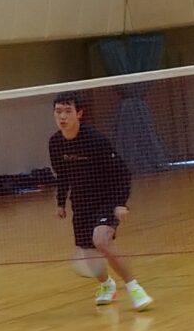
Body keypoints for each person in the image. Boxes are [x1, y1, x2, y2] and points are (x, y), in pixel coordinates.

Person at [47, 92, 152, 310]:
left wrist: (120, 203)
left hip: (106, 198)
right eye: (58, 112)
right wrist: (60, 202)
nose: (62, 116)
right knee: (88, 253)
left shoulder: (95, 140)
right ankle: (107, 285)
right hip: (81, 204)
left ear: (79, 113)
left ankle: (134, 288)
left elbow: (122, 172)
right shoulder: (55, 143)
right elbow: (63, 175)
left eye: (68, 111)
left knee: (101, 240)